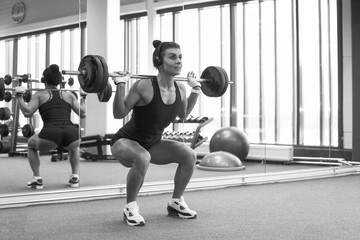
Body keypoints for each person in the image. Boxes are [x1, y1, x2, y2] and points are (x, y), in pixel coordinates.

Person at [110, 40, 202, 226]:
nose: (179, 61)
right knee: (143, 157)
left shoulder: (180, 88)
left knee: (189, 155)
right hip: (125, 141)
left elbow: (183, 114)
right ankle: (130, 207)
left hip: (153, 142)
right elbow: (119, 113)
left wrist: (196, 90)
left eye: (180, 57)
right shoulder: (144, 86)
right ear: (159, 60)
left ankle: (176, 202)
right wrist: (119, 85)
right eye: (172, 57)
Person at [15, 64, 86, 189]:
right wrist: (83, 97)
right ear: (59, 81)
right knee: (74, 147)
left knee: (31, 144)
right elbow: (83, 113)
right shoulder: (68, 95)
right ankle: (75, 176)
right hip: (71, 133)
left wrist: (19, 97)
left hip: (51, 135)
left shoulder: (40, 95)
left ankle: (37, 178)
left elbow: (27, 112)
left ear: (44, 80)